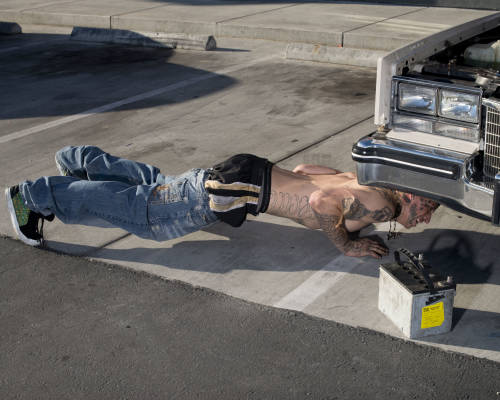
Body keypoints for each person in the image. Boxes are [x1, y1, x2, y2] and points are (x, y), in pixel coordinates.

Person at [5, 146, 439, 259]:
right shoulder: (382, 206)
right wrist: (346, 244)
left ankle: (82, 161)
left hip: (247, 174)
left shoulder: (364, 179)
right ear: (411, 194)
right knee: (148, 214)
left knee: (165, 188)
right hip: (233, 191)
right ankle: (32, 197)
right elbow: (321, 200)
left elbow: (306, 169)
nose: (425, 217)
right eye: (427, 208)